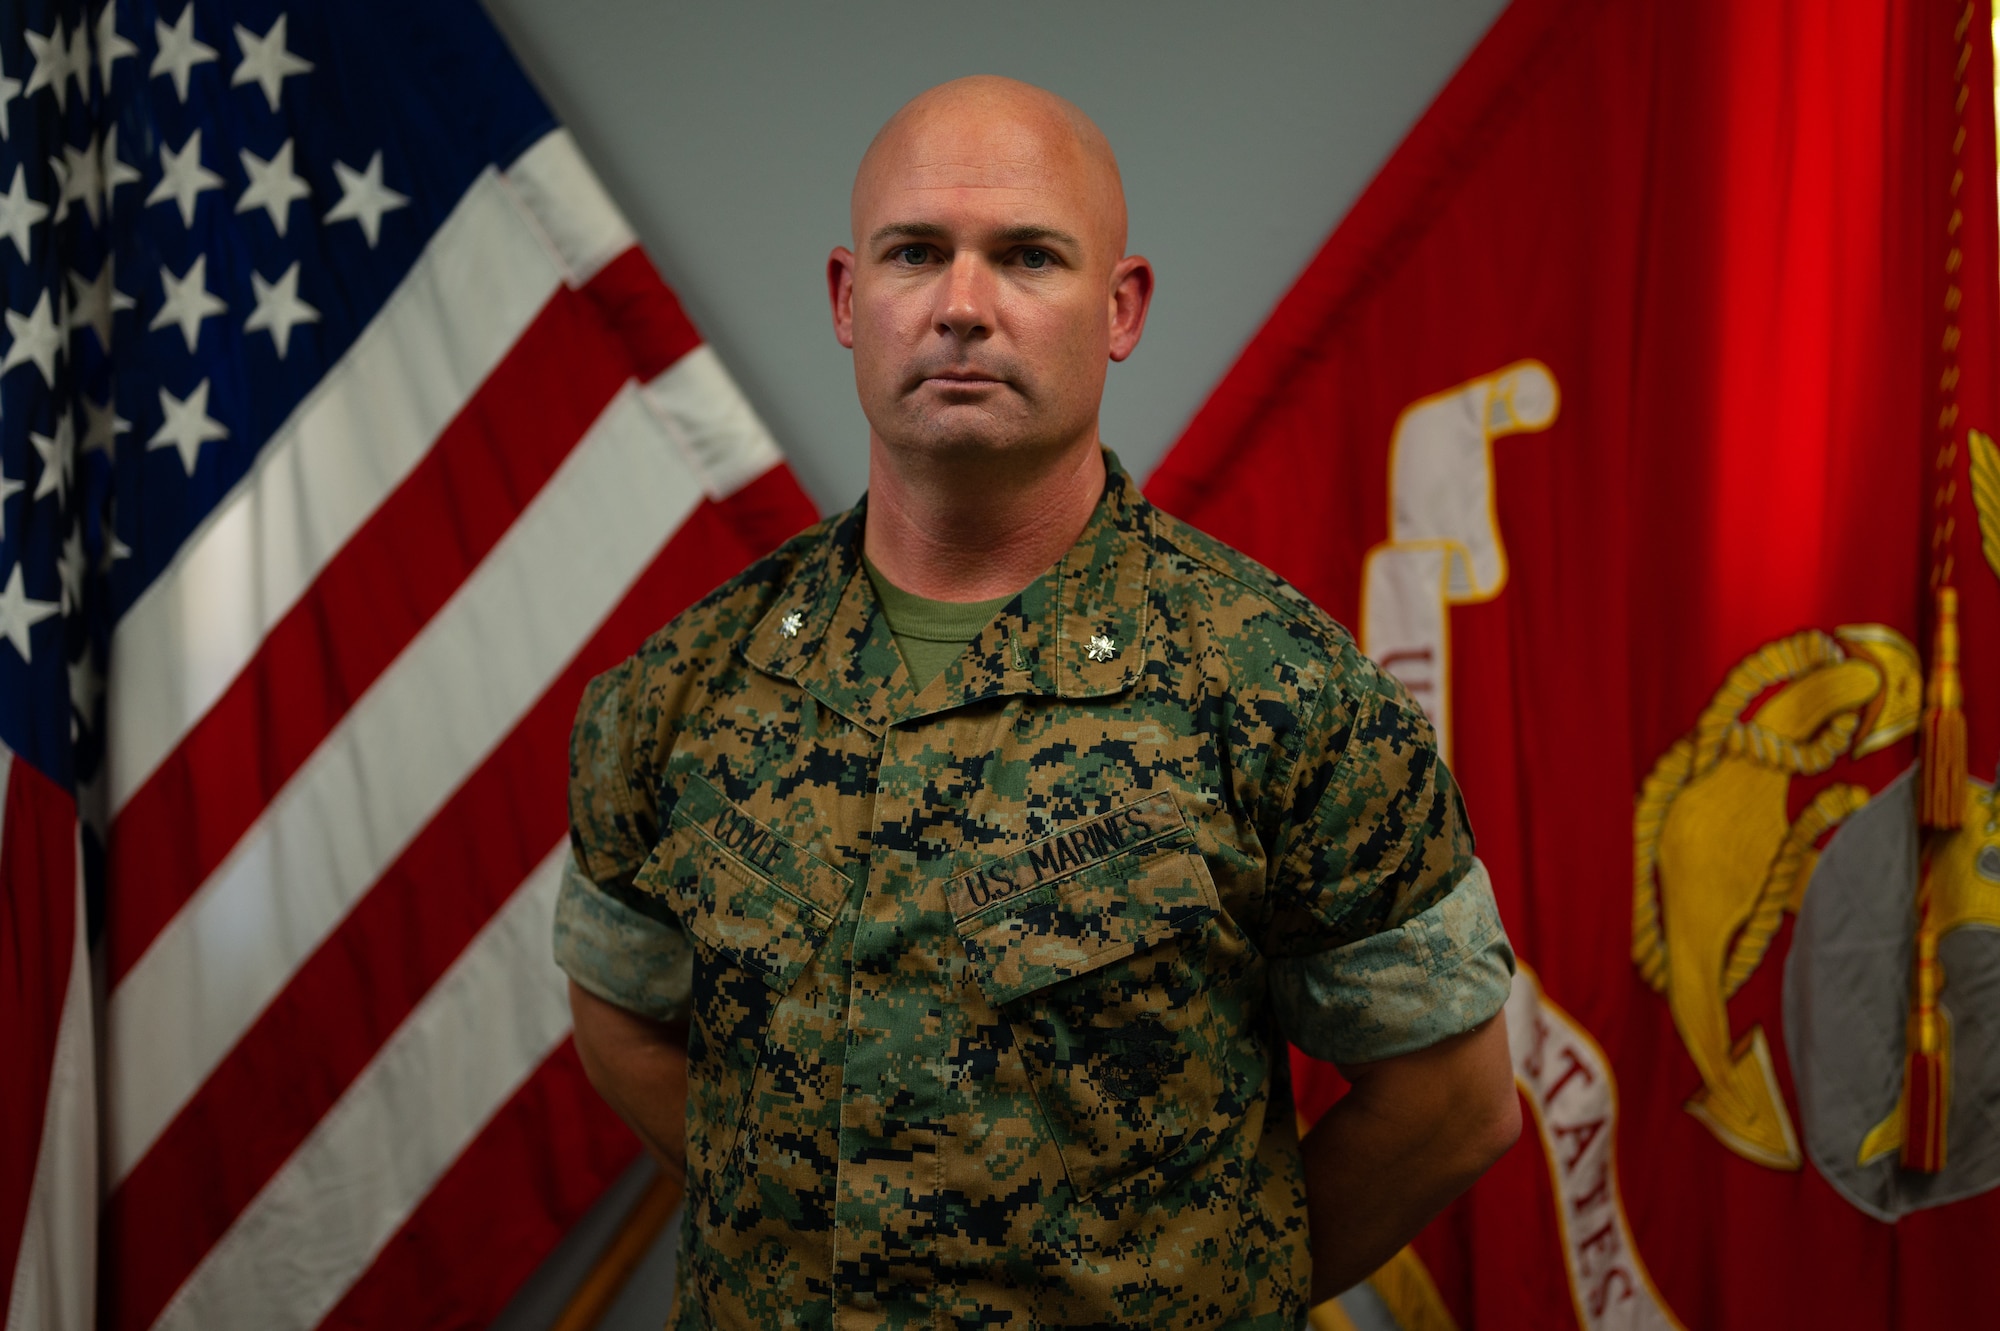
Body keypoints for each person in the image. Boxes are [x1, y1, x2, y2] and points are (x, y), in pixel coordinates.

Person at [556, 75, 1520, 1329]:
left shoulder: (1282, 693)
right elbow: (618, 1006)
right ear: (850, 301)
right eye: (915, 254)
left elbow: (1450, 1103)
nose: (962, 306)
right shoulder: (683, 689)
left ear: (1117, 309)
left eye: (1025, 257)